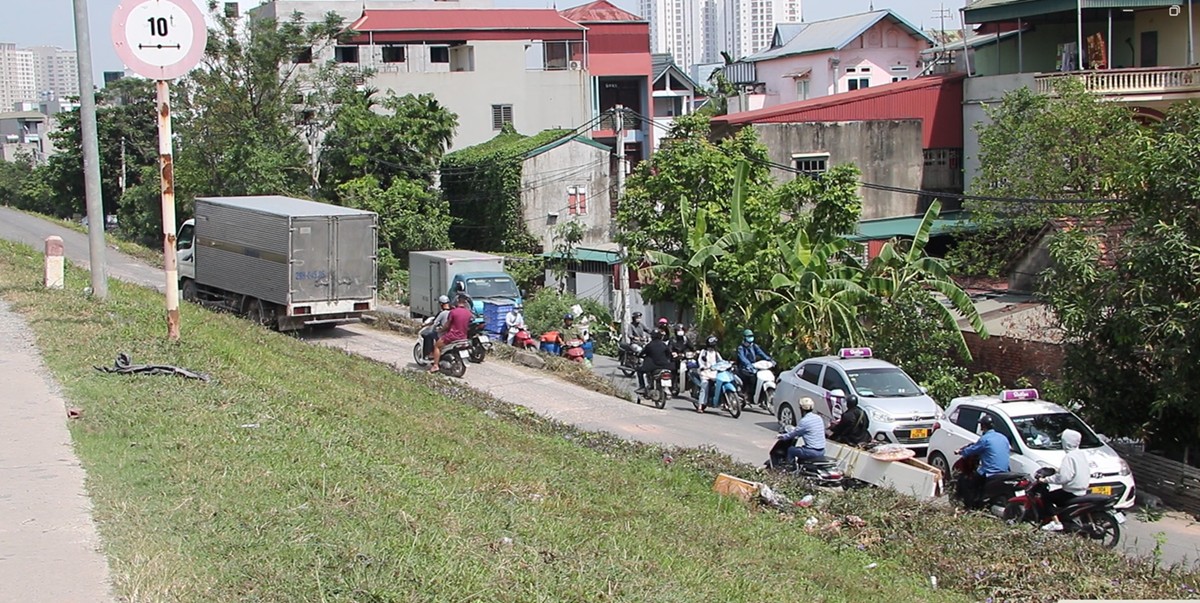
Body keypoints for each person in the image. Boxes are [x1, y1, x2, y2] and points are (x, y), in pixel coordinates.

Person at [955, 414, 1011, 507]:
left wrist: (960, 451)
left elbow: (971, 450)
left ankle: (970, 506)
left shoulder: (985, 439)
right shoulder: (1002, 437)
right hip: (1005, 471)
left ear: (982, 426)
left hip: (990, 473)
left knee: (967, 482)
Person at [1040, 429, 1090, 532]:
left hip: (1071, 492)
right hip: (1082, 490)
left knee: (1046, 497)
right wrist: (1058, 470)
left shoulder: (1069, 457)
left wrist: (1045, 480)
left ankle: (1056, 523)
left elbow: (1064, 478)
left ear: (1066, 441)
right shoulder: (1080, 454)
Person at [777, 397, 826, 464]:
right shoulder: (818, 418)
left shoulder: (804, 421)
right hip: (822, 450)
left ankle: (788, 470)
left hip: (812, 452)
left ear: (801, 409)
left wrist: (782, 436)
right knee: (801, 449)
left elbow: (793, 434)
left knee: (791, 450)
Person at [431, 295, 472, 372]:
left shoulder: (453, 312)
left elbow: (447, 325)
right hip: (463, 337)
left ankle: (435, 365)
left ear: (457, 301)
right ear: (465, 302)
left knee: (437, 346)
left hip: (452, 336)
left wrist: (440, 330)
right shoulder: (468, 313)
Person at [735, 329, 772, 398]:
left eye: (751, 336)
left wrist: (770, 359)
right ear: (744, 337)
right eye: (748, 336)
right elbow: (742, 358)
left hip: (753, 367)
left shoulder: (754, 346)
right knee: (752, 378)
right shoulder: (741, 348)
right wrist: (748, 364)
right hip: (743, 368)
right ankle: (748, 394)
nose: (750, 337)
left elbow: (761, 353)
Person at [636, 330, 673, 395]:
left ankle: (642, 387)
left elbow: (642, 353)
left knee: (639, 371)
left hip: (652, 366)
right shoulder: (663, 345)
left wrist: (639, 356)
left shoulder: (649, 345)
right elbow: (669, 354)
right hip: (664, 365)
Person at [693, 335, 723, 412]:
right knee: (704, 387)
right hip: (705, 373)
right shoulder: (704, 352)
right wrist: (703, 366)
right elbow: (700, 360)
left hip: (714, 373)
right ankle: (700, 405)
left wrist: (726, 364)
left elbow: (721, 361)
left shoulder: (716, 353)